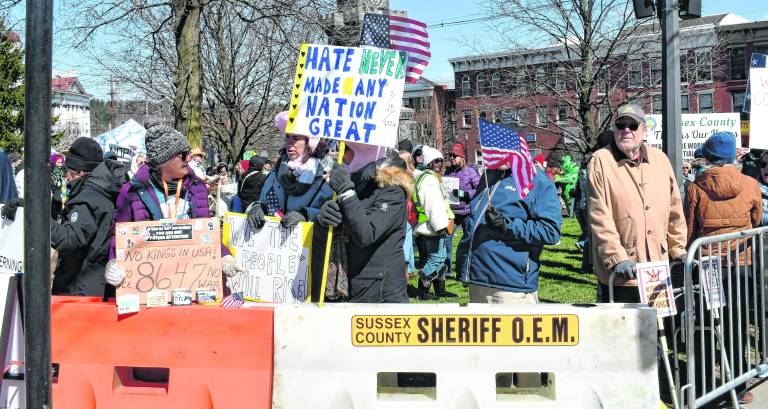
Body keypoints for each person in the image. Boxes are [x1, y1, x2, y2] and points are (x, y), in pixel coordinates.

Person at [103, 122, 244, 290]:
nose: (189, 158)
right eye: (184, 154)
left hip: (191, 279)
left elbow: (206, 234)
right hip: (150, 283)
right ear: (165, 159)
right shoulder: (132, 191)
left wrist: (224, 256)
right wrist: (114, 262)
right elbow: (118, 236)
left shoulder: (197, 188)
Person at [683, 131, 761, 404]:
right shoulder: (751, 184)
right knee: (737, 323)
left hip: (708, 266)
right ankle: (740, 386)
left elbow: (689, 229)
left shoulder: (695, 187)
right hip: (741, 263)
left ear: (710, 157)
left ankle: (705, 384)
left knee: (707, 324)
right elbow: (757, 218)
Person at [587, 104, 687, 303]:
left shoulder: (660, 159)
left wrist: (678, 249)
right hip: (623, 274)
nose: (626, 130)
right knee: (625, 330)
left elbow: (675, 209)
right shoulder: (600, 161)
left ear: (643, 130)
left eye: (632, 126)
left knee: (660, 329)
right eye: (620, 125)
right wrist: (617, 258)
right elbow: (599, 217)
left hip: (657, 269)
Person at [247, 111, 332, 302]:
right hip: (273, 257)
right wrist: (256, 208)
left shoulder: (324, 176)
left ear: (310, 142)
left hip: (306, 257)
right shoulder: (276, 172)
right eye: (287, 137)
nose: (290, 143)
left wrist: (305, 214)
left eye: (296, 138)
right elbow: (263, 201)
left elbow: (329, 212)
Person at [319, 144, 411, 303]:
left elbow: (366, 234)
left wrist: (346, 194)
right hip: (352, 286)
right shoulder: (355, 183)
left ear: (365, 152)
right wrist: (324, 217)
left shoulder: (392, 188)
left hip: (380, 294)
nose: (342, 155)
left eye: (347, 149)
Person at [44, 137, 127, 297]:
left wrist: (37, 217)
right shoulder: (106, 189)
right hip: (99, 283)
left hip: (80, 289)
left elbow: (68, 239)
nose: (66, 177)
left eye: (68, 171)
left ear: (80, 171)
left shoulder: (87, 199)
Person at [412, 146, 454, 300]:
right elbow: (432, 205)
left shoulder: (428, 177)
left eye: (440, 161)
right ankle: (423, 292)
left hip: (433, 225)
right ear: (429, 162)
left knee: (441, 258)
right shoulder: (429, 179)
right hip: (432, 227)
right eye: (436, 160)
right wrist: (440, 226)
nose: (439, 163)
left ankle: (439, 290)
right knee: (435, 259)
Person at [443, 142, 480, 279]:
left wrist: (465, 194)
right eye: (450, 155)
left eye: (454, 156)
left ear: (462, 157)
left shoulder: (471, 172)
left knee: (467, 241)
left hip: (467, 213)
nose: (451, 158)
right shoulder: (448, 171)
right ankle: (446, 271)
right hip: (451, 213)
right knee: (446, 239)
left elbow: (480, 189)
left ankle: (463, 272)